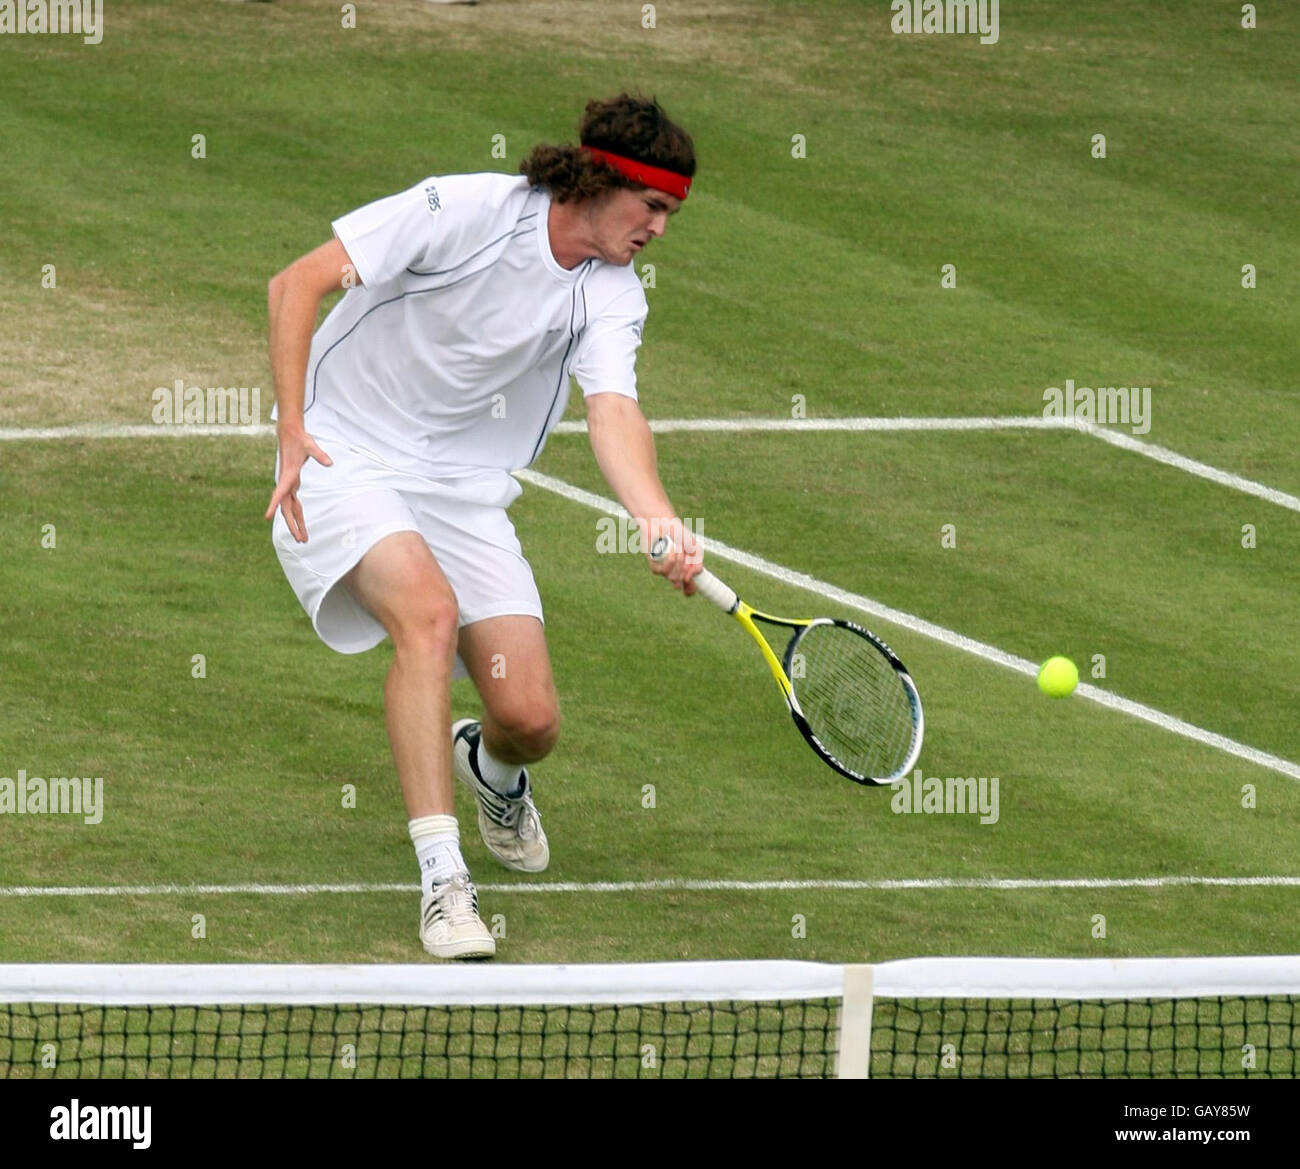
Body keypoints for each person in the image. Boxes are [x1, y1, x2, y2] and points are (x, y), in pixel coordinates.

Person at [264, 94, 702, 959]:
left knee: (530, 717)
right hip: (343, 454)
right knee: (425, 616)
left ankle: (492, 772)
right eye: (652, 206)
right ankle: (443, 880)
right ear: (604, 180)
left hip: (463, 490)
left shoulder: (612, 295)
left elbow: (614, 413)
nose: (659, 228)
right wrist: (289, 427)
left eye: (671, 214)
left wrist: (657, 520)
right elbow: (297, 282)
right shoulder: (463, 210)